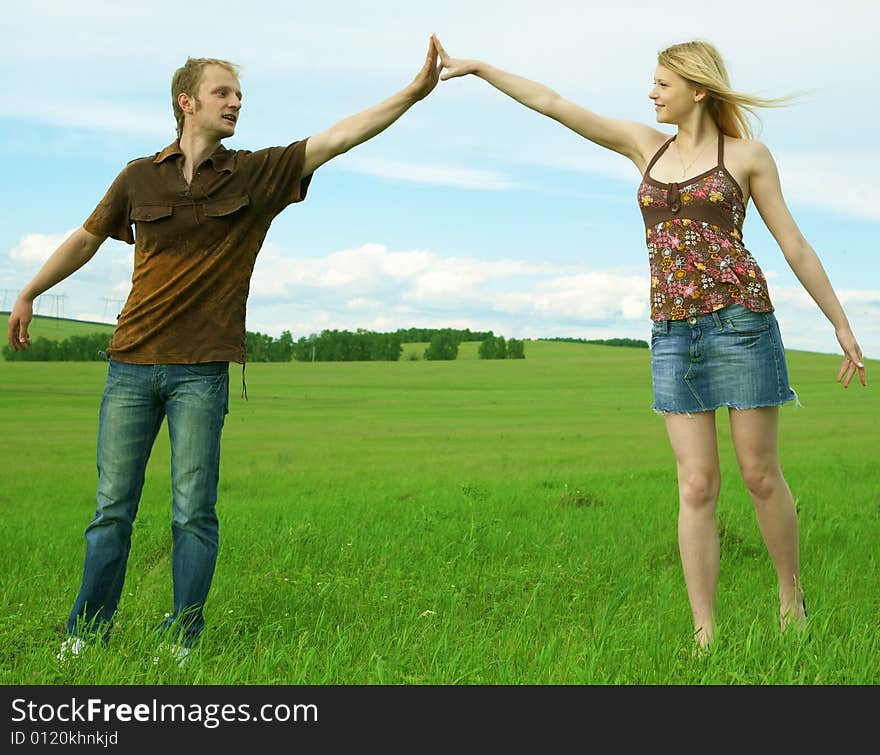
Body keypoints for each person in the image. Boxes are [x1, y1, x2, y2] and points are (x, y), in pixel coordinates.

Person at [7, 38, 442, 663]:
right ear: (188, 103)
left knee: (193, 513)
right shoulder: (138, 176)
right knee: (111, 511)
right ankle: (85, 635)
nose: (236, 103)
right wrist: (29, 293)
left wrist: (410, 93)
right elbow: (86, 239)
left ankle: (183, 638)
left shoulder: (254, 175)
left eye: (239, 95)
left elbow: (337, 138)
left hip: (200, 375)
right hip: (130, 366)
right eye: (223, 93)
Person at [432, 35, 867, 651]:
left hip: (741, 322)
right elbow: (554, 104)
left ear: (696, 88)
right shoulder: (645, 146)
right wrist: (478, 68)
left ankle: (790, 600)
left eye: (662, 83)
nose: (651, 93)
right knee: (695, 484)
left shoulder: (747, 156)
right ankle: (704, 634)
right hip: (672, 332)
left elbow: (793, 243)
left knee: (760, 474)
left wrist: (841, 324)